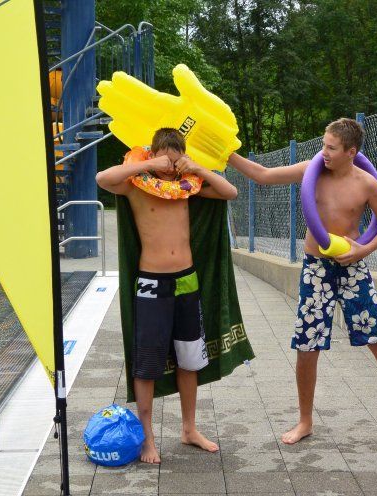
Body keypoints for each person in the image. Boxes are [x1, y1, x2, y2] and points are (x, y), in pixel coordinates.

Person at [227, 118, 377, 449]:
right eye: (323, 145)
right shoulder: (312, 170)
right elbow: (262, 175)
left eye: (331, 148)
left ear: (351, 152)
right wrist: (226, 152)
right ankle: (305, 420)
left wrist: (362, 249)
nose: (324, 152)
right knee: (307, 345)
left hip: (352, 267)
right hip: (317, 268)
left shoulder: (366, 183)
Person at [96, 127, 238, 463]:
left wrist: (196, 168)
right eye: (165, 162)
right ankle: (148, 439)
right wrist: (147, 164)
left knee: (189, 360)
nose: (170, 169)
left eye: (175, 163)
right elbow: (103, 178)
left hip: (187, 280)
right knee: (147, 364)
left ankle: (189, 429)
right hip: (151, 283)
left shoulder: (188, 188)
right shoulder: (135, 186)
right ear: (153, 155)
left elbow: (230, 192)